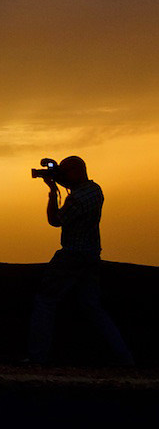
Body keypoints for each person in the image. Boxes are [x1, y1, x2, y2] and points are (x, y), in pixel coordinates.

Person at [27, 155, 134, 366]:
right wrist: (57, 178)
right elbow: (74, 186)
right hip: (92, 255)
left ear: (76, 171)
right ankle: (124, 358)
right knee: (92, 306)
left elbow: (54, 220)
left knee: (45, 301)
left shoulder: (76, 199)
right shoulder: (95, 190)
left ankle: (37, 357)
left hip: (72, 255)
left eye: (66, 172)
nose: (63, 176)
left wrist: (52, 192)